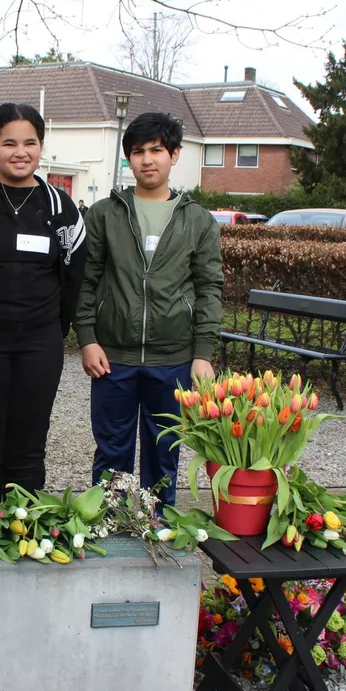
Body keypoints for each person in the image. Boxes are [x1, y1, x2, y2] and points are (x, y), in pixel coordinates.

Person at [73, 112, 223, 509]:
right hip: (113, 358)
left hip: (173, 358)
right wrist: (87, 339)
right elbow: (86, 281)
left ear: (174, 154)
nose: (147, 159)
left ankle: (160, 524)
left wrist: (203, 353)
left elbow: (209, 288)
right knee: (112, 451)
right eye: (138, 152)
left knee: (165, 450)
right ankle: (110, 522)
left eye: (157, 150)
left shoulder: (199, 220)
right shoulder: (104, 213)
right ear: (128, 159)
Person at [0, 102, 86, 500]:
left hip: (40, 340)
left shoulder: (62, 208)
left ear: (41, 147)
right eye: (8, 143)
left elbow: (75, 277)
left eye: (30, 142)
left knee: (30, 432)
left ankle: (26, 519)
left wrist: (59, 331)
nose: (20, 152)